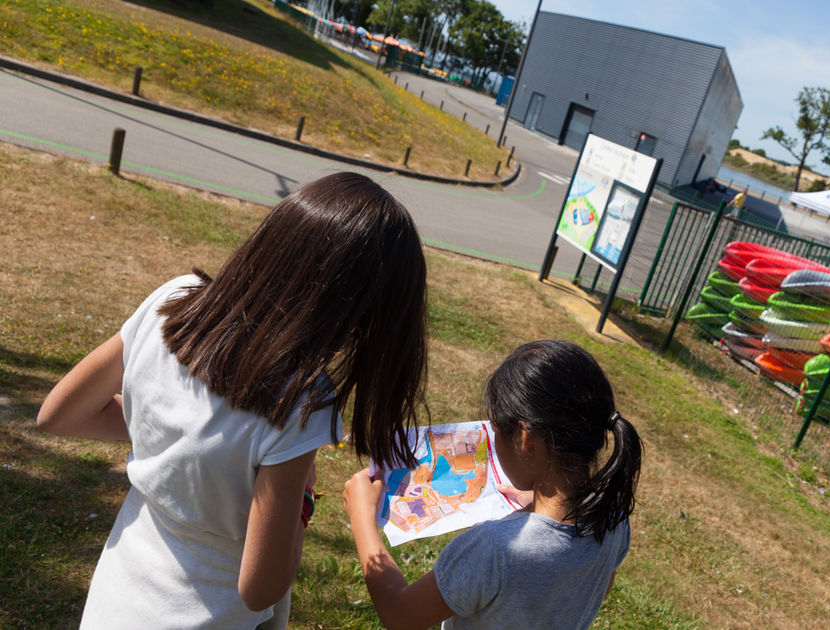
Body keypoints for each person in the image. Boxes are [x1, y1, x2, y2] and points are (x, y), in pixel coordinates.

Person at [37, 172, 429, 628]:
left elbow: (58, 413)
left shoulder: (175, 301)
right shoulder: (302, 402)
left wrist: (179, 440)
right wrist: (302, 496)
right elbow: (261, 586)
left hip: (116, 601)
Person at [343, 339, 643, 630]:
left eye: (495, 430)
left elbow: (400, 614)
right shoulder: (613, 515)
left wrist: (363, 520)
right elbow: (595, 588)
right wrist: (535, 503)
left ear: (526, 439)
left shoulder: (495, 549)